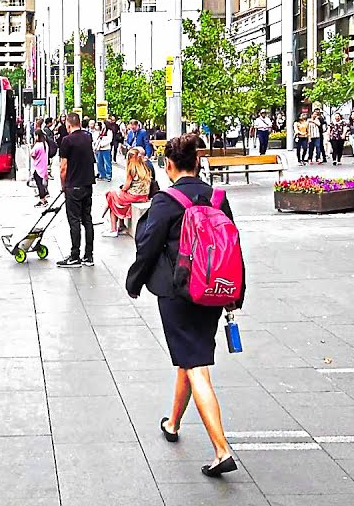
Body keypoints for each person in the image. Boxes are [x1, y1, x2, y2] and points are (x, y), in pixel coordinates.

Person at [126, 134, 243, 478]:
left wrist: (134, 283)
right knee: (189, 356)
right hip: (214, 291)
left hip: (177, 294)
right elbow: (232, 246)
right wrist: (236, 293)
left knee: (194, 364)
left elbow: (147, 247)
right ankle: (173, 422)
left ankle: (221, 449)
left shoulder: (167, 200)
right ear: (197, 163)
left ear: (170, 165)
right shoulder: (216, 197)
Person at [57, 113, 95, 267]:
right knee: (87, 219)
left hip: (73, 186)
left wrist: (63, 185)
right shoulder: (88, 138)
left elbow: (63, 167)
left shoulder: (67, 141)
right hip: (87, 184)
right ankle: (89, 256)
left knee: (74, 221)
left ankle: (75, 256)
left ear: (68, 124)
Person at [104, 147, 153, 236]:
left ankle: (113, 229)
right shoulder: (145, 167)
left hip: (134, 196)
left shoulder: (132, 169)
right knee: (115, 199)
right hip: (144, 196)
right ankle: (121, 225)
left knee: (111, 195)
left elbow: (126, 186)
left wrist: (122, 190)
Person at [30, 130, 50, 206]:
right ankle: (44, 198)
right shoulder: (45, 144)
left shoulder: (38, 145)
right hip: (43, 167)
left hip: (38, 167)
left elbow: (32, 154)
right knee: (41, 183)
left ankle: (42, 200)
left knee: (39, 184)